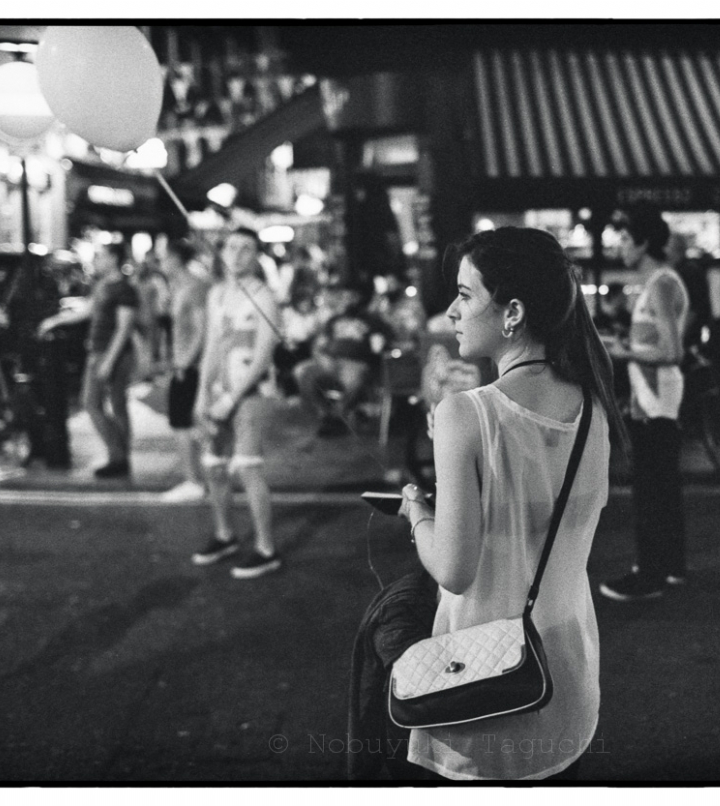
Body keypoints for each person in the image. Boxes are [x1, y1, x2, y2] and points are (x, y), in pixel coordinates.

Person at [395, 226, 625, 781]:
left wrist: (416, 511)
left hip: (485, 678)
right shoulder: (594, 404)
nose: (451, 310)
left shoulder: (465, 414)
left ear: (513, 312)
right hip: (565, 667)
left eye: (466, 294)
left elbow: (454, 569)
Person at [598, 203, 691, 602]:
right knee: (662, 489)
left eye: (624, 239)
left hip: (658, 404)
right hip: (651, 401)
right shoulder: (654, 284)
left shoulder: (662, 284)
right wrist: (627, 347)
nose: (619, 247)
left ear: (643, 242)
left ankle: (649, 574)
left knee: (650, 492)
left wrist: (625, 355)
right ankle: (670, 568)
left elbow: (672, 350)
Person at [190, 226, 284, 578]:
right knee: (213, 465)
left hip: (251, 394)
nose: (238, 254)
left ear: (257, 255)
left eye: (247, 248)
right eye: (232, 247)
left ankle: (265, 548)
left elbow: (262, 358)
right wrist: (203, 393)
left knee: (248, 466)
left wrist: (230, 399)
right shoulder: (215, 295)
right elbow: (211, 348)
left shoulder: (264, 297)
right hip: (218, 393)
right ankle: (225, 534)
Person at [39, 242, 138, 478]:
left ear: (114, 258)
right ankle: (119, 454)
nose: (96, 261)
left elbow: (124, 328)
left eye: (101, 256)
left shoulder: (124, 289)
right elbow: (87, 311)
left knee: (97, 403)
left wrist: (109, 360)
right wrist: (56, 321)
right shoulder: (103, 285)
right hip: (99, 352)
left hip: (109, 353)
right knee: (105, 404)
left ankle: (119, 455)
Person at [293, 277, 391, 437]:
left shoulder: (373, 321)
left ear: (359, 298)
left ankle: (336, 416)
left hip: (356, 362)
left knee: (353, 377)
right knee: (301, 371)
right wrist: (321, 356)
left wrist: (378, 343)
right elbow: (320, 344)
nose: (346, 300)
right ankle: (325, 413)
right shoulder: (334, 320)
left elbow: (381, 346)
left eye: (350, 296)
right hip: (328, 361)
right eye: (344, 296)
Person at [160, 239, 212, 502]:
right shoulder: (178, 286)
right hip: (182, 363)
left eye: (164, 257)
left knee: (184, 422)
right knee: (185, 423)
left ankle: (194, 481)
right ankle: (198, 478)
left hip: (190, 366)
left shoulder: (194, 287)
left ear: (176, 259)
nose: (161, 263)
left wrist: (185, 362)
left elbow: (202, 331)